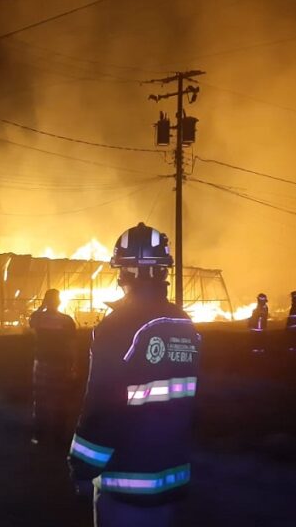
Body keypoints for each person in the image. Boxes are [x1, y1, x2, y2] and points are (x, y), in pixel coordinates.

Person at [69, 222, 201, 527]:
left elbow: (101, 407)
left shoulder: (117, 326)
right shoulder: (185, 325)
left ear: (126, 272)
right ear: (164, 271)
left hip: (126, 481)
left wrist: (81, 466)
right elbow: (194, 401)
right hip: (171, 477)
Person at [29, 288, 78, 447]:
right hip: (61, 364)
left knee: (41, 400)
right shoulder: (66, 320)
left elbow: (32, 320)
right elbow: (72, 344)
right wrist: (74, 364)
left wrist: (42, 306)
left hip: (43, 363)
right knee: (61, 400)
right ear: (59, 302)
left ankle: (40, 435)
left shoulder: (39, 318)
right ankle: (59, 436)